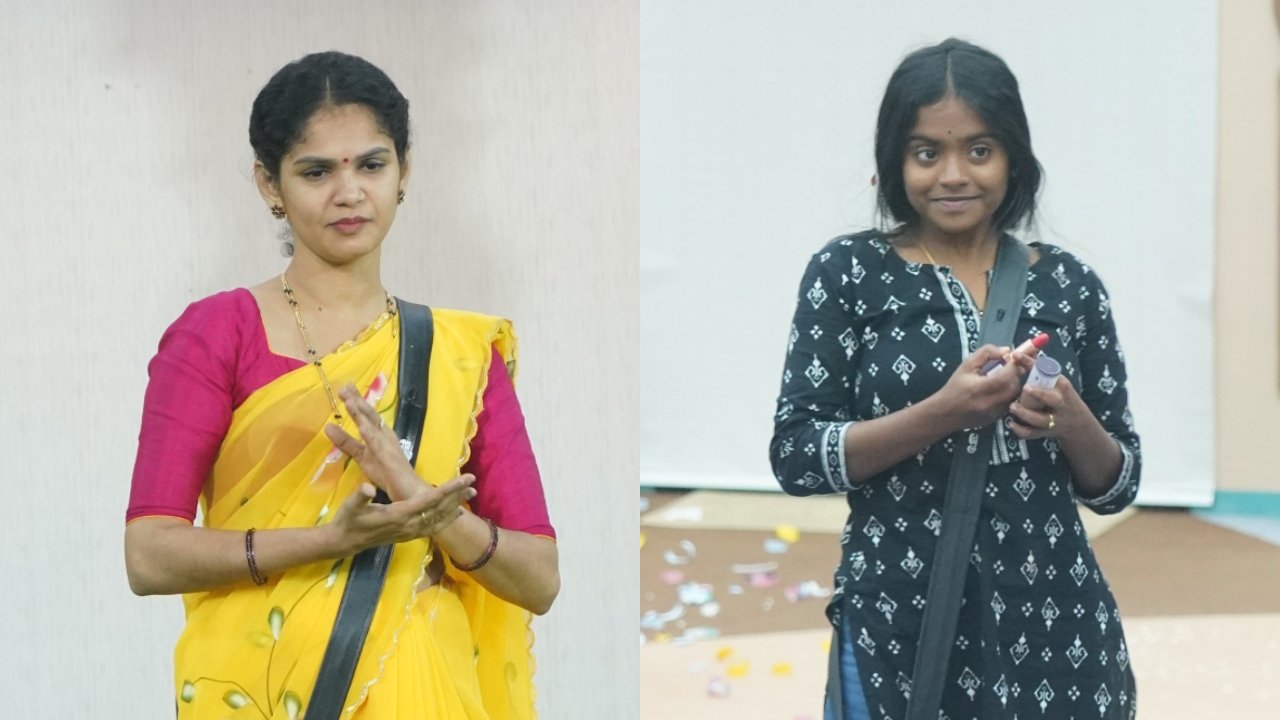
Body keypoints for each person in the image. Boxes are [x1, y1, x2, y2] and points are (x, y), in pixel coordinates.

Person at [124, 51, 559, 719]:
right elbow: (150, 556)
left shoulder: (460, 353)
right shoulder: (217, 333)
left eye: (371, 165)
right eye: (317, 171)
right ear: (269, 184)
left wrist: (434, 512)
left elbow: (539, 579)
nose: (349, 192)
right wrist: (332, 540)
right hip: (252, 688)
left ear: (404, 170)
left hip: (420, 687)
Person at [769, 38, 1139, 720]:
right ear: (896, 160)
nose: (953, 175)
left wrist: (1070, 420)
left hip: (1054, 629)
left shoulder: (1071, 285)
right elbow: (797, 455)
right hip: (898, 622)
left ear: (1013, 158)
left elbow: (1119, 484)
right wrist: (942, 411)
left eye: (979, 150)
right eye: (926, 153)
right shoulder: (848, 273)